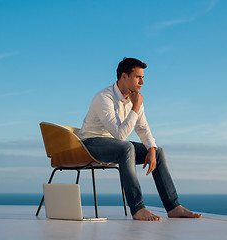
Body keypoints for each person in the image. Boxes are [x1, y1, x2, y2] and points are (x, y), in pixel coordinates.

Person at [78, 57, 202, 221]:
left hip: (116, 145)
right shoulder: (104, 97)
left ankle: (173, 206)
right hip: (92, 144)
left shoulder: (134, 98)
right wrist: (136, 106)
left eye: (143, 77)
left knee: (158, 152)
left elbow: (142, 127)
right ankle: (138, 209)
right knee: (126, 147)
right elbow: (120, 135)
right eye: (138, 77)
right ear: (124, 76)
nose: (142, 82)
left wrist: (151, 149)